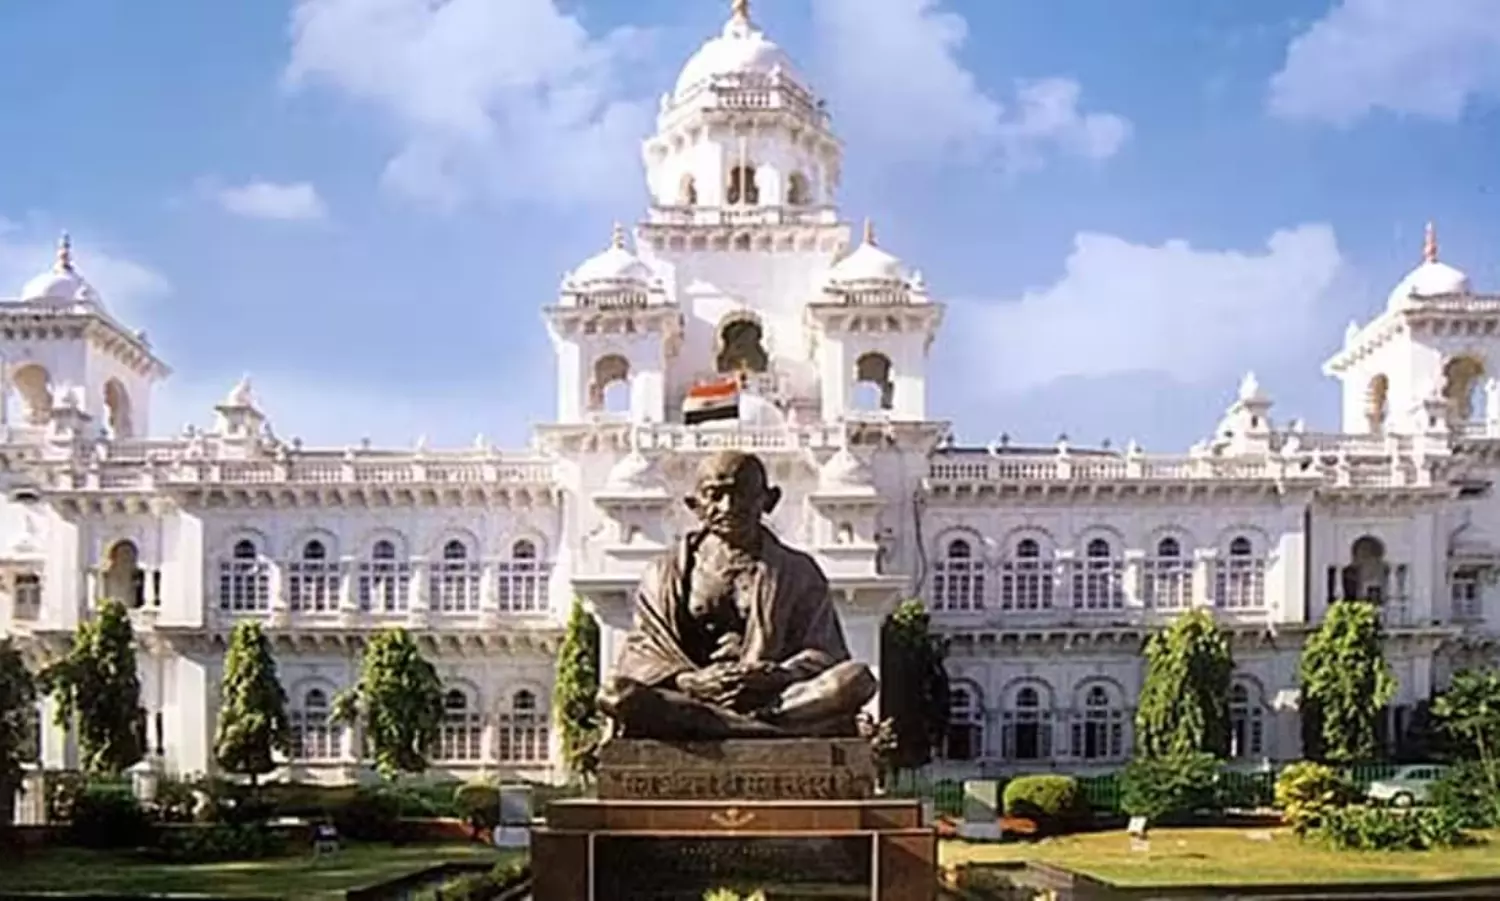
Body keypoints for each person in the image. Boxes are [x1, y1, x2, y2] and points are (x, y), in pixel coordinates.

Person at [596, 450, 877, 741]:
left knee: (856, 679)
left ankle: (728, 725)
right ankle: (758, 729)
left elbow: (824, 652)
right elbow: (644, 651)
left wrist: (775, 675)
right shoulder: (665, 572)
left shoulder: (797, 571)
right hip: (692, 695)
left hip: (776, 698)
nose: (729, 506)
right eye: (715, 495)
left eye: (742, 494)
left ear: (767, 501)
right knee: (617, 694)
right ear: (695, 505)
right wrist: (690, 680)